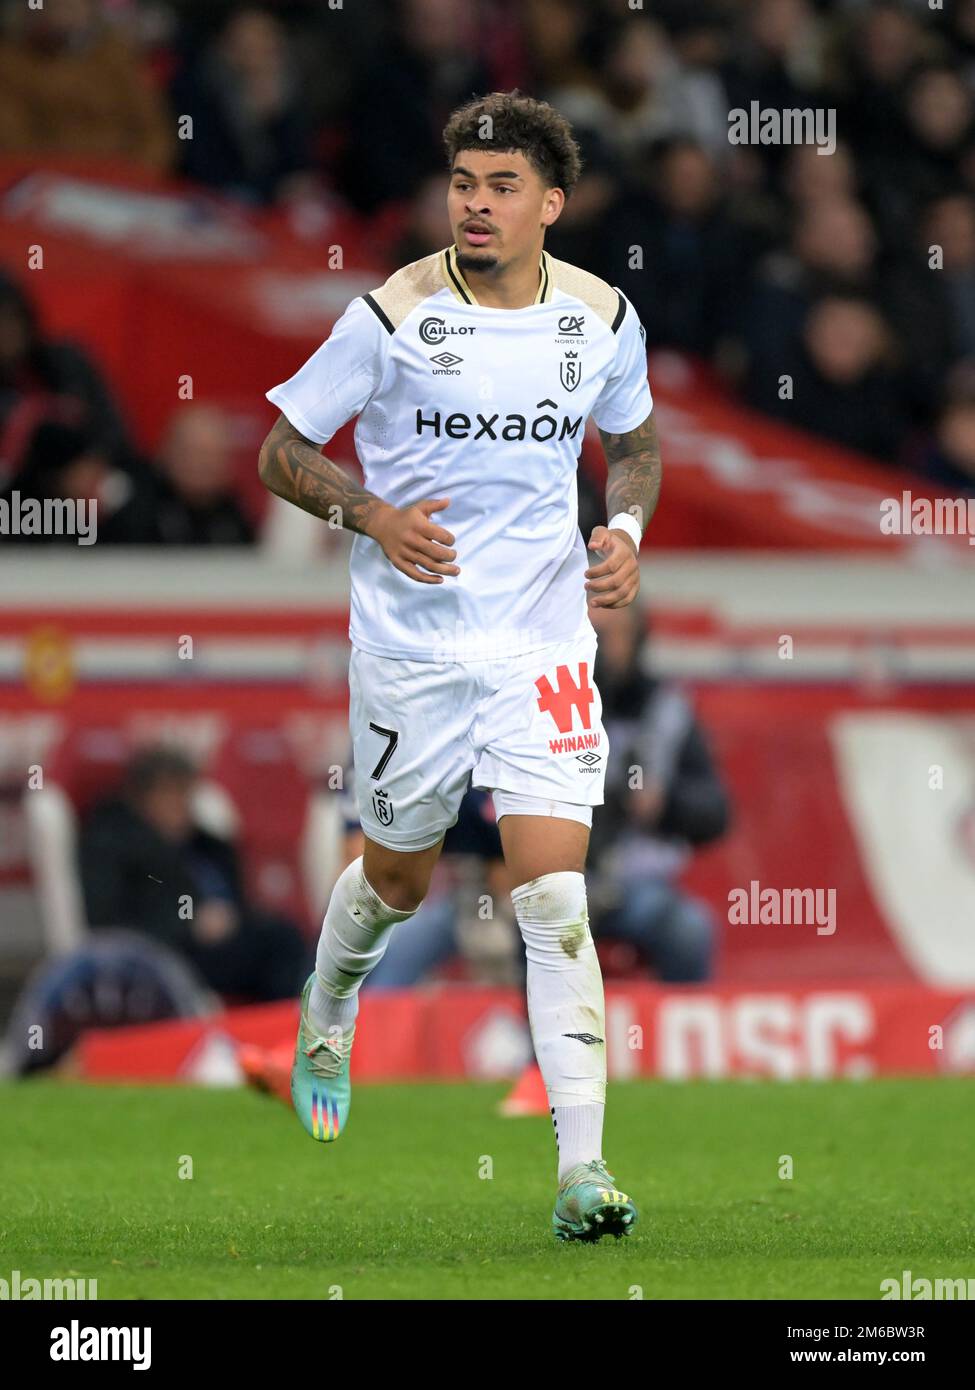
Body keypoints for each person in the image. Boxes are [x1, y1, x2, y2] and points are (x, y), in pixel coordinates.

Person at [259, 91, 660, 1242]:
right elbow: (282, 449)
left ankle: (582, 1170)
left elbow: (633, 443)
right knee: (398, 878)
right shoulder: (391, 318)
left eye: (501, 188)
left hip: (541, 637)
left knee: (553, 896)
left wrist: (623, 533)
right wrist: (375, 517)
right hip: (415, 645)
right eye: (464, 185)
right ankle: (330, 1001)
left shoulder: (601, 317)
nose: (476, 205)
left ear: (552, 204)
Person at [79, 748, 310, 1003]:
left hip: (231, 936)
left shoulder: (206, 845)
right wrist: (190, 924)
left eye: (186, 793)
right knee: (279, 946)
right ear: (141, 798)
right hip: (174, 954)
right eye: (171, 794)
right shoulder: (113, 846)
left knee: (287, 935)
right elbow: (109, 922)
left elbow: (238, 898)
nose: (182, 804)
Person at [588, 603, 730, 982]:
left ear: (638, 639)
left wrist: (661, 804)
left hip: (636, 888)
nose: (602, 649)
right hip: (550, 885)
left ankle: (677, 1033)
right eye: (593, 635)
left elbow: (715, 811)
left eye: (613, 635)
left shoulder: (665, 711)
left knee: (689, 929)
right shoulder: (542, 707)